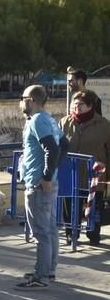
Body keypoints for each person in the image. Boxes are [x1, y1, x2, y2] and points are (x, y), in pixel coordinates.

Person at [15, 85, 63, 290]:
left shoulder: (37, 120)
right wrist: (52, 173)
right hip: (49, 183)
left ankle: (41, 276)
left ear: (31, 100)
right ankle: (49, 270)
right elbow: (65, 145)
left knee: (41, 233)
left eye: (23, 98)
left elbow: (51, 148)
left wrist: (45, 176)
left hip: (38, 183)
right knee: (50, 229)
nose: (20, 101)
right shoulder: (49, 119)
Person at [59, 90, 110, 245]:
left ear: (90, 105)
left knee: (95, 205)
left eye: (80, 104)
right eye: (74, 104)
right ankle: (70, 232)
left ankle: (93, 233)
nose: (76, 107)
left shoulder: (104, 125)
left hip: (94, 175)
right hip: (70, 172)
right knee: (69, 204)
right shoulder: (64, 122)